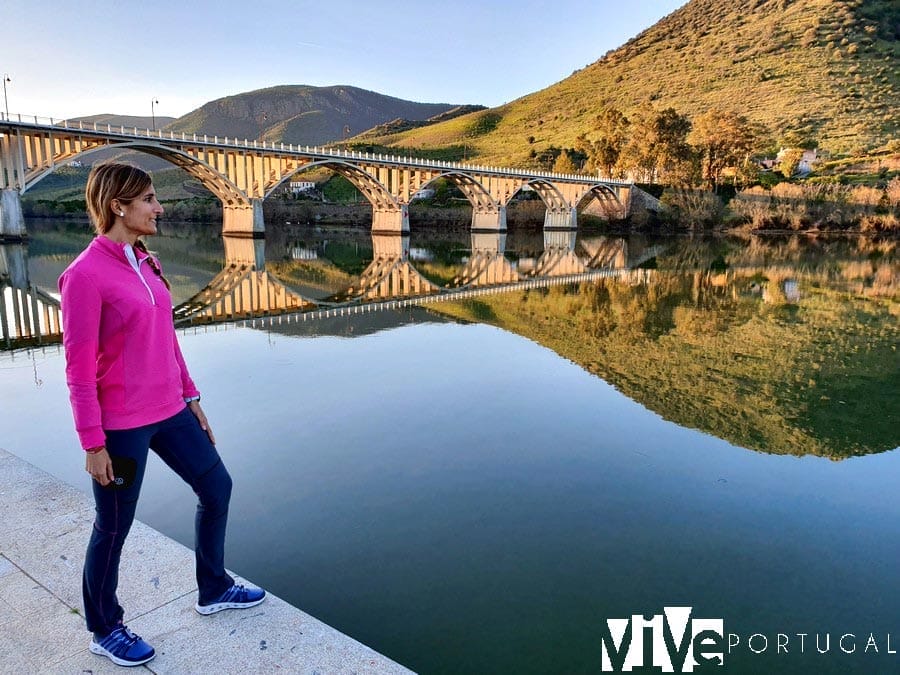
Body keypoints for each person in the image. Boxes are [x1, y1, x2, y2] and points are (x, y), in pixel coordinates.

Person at [59, 162, 265, 667]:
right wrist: (93, 443)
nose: (159, 207)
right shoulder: (84, 276)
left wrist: (191, 398)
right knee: (113, 526)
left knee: (217, 487)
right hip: (121, 426)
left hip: (171, 410)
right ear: (118, 207)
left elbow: (166, 340)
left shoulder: (144, 261)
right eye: (149, 199)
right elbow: (78, 369)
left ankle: (213, 588)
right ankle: (104, 628)